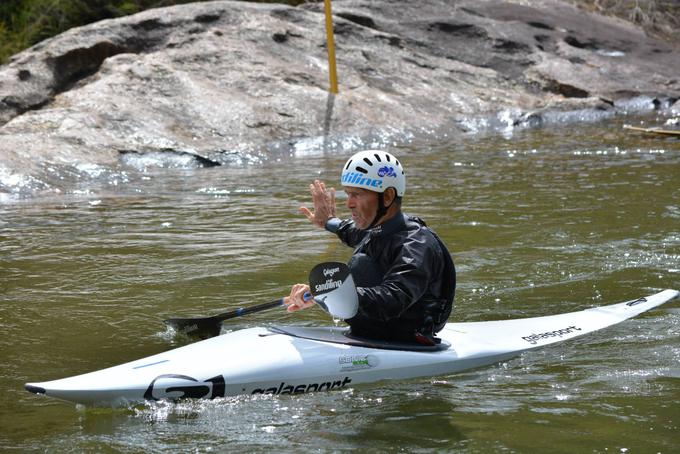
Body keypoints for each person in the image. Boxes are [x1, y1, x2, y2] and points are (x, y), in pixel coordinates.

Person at [285, 150, 456, 345]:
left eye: (357, 194)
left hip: (405, 338)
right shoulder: (376, 231)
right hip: (372, 332)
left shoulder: (416, 244)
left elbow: (394, 298)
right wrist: (328, 222)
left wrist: (329, 293)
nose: (349, 204)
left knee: (360, 263)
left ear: (388, 196)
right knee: (361, 258)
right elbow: (349, 230)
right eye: (348, 194)